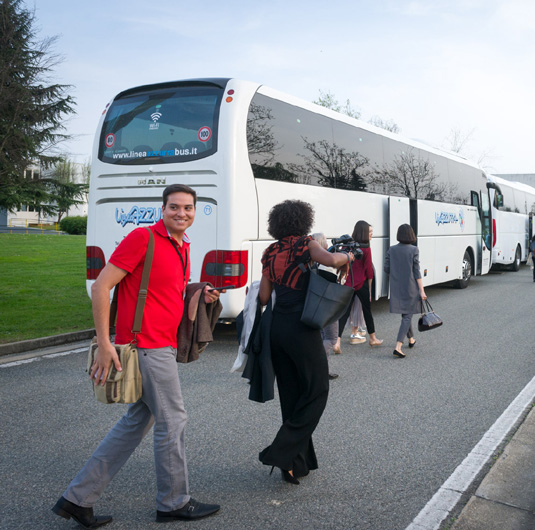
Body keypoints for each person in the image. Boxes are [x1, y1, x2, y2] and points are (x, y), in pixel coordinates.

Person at [52, 184, 221, 528]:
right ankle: (173, 503)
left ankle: (77, 499)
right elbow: (101, 286)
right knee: (173, 420)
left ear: (194, 211)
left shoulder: (182, 245)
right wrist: (104, 343)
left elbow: (167, 291)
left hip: (163, 344)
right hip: (146, 346)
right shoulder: (143, 238)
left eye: (188, 208)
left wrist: (198, 293)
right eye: (174, 207)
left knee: (135, 424)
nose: (181, 213)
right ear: (163, 209)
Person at [258, 200, 351, 485]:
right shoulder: (305, 244)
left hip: (277, 329)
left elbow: (264, 298)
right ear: (303, 221)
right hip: (302, 327)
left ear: (276, 224)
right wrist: (348, 255)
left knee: (291, 395)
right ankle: (280, 451)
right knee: (317, 389)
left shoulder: (270, 252)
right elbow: (332, 261)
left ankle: (293, 464)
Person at [335, 221, 383, 349]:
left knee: (344, 312)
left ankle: (337, 342)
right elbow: (369, 271)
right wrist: (370, 289)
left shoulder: (347, 246)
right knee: (367, 311)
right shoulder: (366, 248)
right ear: (364, 232)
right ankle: (372, 338)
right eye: (369, 232)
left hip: (348, 283)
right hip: (361, 284)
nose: (371, 234)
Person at [385, 224, 427, 358]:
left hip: (396, 288)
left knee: (405, 314)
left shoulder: (392, 249)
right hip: (410, 287)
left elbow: (386, 268)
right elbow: (417, 272)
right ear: (411, 235)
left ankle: (411, 339)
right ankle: (398, 346)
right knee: (408, 315)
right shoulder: (414, 250)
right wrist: (422, 290)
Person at [310, 233, 339, 379]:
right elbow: (334, 287)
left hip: (316, 307)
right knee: (331, 338)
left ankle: (322, 370)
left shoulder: (312, 264)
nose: (328, 244)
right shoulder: (325, 265)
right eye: (325, 241)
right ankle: (317, 365)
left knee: (322, 336)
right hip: (328, 307)